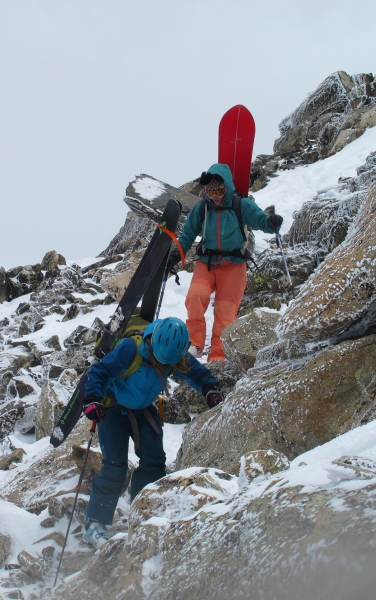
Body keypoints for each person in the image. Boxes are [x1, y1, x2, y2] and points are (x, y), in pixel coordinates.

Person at [80, 317, 223, 548]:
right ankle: (95, 524)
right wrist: (93, 399)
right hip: (113, 409)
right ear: (153, 343)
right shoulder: (131, 348)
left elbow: (195, 372)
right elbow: (100, 371)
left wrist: (210, 389)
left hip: (144, 410)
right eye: (158, 358)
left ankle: (143, 512)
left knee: (154, 462)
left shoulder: (175, 353)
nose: (162, 363)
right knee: (115, 466)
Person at [166, 163, 284, 362]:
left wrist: (271, 224)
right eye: (210, 191)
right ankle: (195, 344)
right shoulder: (203, 208)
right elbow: (187, 235)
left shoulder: (240, 205)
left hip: (234, 265)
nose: (215, 195)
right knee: (196, 295)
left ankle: (218, 357)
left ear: (227, 187)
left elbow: (260, 220)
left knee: (225, 311)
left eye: (219, 190)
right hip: (207, 262)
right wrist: (175, 256)